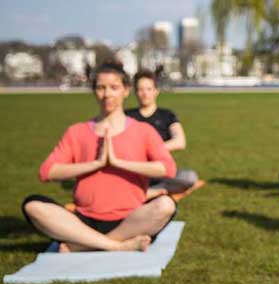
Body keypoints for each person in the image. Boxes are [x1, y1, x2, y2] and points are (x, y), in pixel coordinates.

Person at [21, 62, 178, 252]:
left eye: (114, 87)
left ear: (126, 91)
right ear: (94, 91)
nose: (107, 94)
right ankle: (115, 245)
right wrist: (96, 163)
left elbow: (168, 168)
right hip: (84, 219)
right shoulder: (76, 132)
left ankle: (83, 245)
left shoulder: (143, 130)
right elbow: (47, 172)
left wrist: (118, 163)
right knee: (32, 206)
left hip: (130, 219)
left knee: (166, 205)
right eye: (101, 87)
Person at [127, 69, 199, 195]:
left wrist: (150, 151)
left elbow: (180, 141)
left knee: (189, 177)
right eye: (140, 89)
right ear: (135, 92)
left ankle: (150, 193)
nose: (145, 93)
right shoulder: (127, 116)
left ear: (156, 91)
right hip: (134, 170)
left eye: (149, 89)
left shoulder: (167, 115)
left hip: (160, 171)